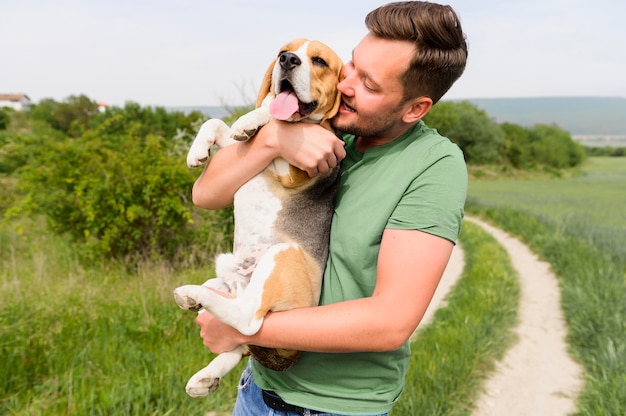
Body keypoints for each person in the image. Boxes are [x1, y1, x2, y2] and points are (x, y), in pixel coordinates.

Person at [191, 1, 468, 414]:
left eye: (369, 86)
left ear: (415, 108)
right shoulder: (316, 127)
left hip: (335, 406)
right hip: (257, 390)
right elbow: (206, 195)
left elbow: (390, 321)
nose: (345, 84)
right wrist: (271, 140)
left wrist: (242, 327)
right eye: (352, 66)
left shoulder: (435, 166)